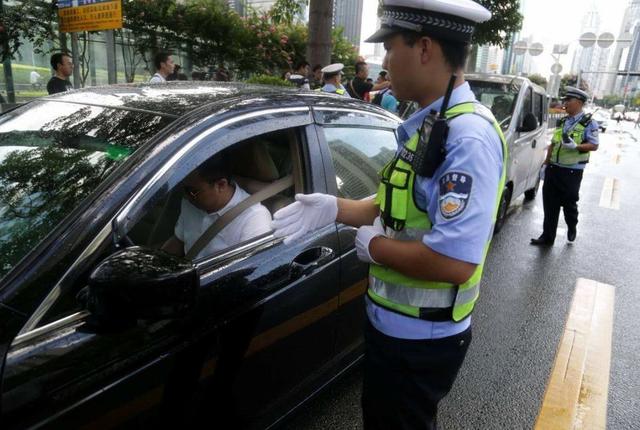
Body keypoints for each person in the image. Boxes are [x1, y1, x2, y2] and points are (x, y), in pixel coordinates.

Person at [271, 0, 504, 428]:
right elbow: (392, 206)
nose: (384, 61)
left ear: (425, 49)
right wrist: (334, 208)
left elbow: (455, 261)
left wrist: (376, 248)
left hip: (422, 339)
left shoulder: (466, 138)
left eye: (390, 47)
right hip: (393, 327)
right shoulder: (432, 122)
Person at [162, 153, 272, 259]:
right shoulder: (191, 201)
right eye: (184, 189)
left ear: (221, 185)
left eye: (192, 191)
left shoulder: (254, 218)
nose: (185, 196)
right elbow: (179, 241)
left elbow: (250, 270)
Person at [531, 86, 599, 246]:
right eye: (565, 100)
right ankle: (547, 237)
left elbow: (594, 145)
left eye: (569, 100)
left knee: (569, 203)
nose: (565, 103)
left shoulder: (589, 123)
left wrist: (576, 146)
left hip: (572, 171)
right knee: (550, 203)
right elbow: (553, 144)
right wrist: (545, 164)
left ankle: (572, 225)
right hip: (554, 169)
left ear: (579, 103)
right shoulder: (563, 120)